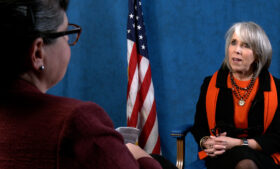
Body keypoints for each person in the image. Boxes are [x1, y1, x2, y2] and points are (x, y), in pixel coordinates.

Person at [0, 0, 163, 169]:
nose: (69, 41)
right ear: (38, 52)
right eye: (65, 33)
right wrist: (140, 158)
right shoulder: (76, 122)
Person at [191, 22, 280, 169]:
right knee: (241, 158)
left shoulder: (276, 87)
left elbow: (277, 137)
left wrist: (237, 143)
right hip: (221, 154)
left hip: (260, 153)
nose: (237, 50)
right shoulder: (210, 83)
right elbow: (200, 126)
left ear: (258, 55)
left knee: (245, 159)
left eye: (246, 45)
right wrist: (206, 141)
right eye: (233, 43)